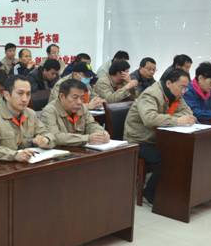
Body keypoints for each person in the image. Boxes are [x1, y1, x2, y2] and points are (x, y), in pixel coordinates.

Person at [124, 69, 196, 204]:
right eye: (182, 87)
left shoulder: (176, 94)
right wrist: (177, 120)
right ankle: (149, 192)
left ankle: (173, 190)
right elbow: (150, 119)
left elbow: (188, 113)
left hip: (160, 138)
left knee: (184, 153)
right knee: (166, 158)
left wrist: (174, 118)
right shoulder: (150, 94)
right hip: (139, 140)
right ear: (169, 83)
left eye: (186, 88)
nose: (184, 91)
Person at [0, 75, 56, 161]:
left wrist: (46, 140)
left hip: (29, 162)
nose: (25, 99)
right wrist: (14, 155)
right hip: (3, 166)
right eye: (20, 93)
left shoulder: (31, 114)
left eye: (28, 94)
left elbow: (48, 134)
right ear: (6, 95)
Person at [40, 78, 110, 147]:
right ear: (62, 96)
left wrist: (101, 133)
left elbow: (91, 124)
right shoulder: (49, 111)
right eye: (75, 97)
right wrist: (87, 139)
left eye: (82, 98)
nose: (79, 102)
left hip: (80, 149)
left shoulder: (82, 107)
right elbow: (55, 137)